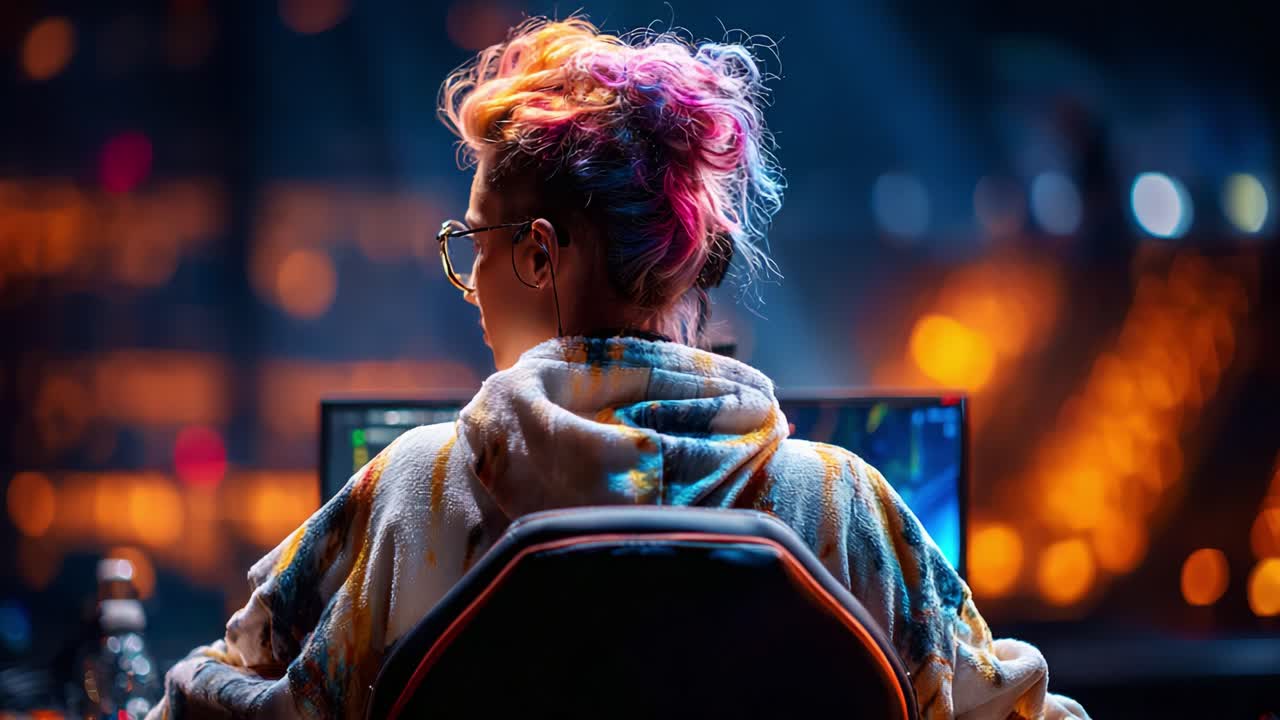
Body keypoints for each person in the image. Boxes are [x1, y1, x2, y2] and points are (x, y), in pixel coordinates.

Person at [150, 17, 1088, 720]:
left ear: (539, 255)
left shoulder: (413, 498)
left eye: (472, 241)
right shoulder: (842, 510)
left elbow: (228, 707)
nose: (468, 280)